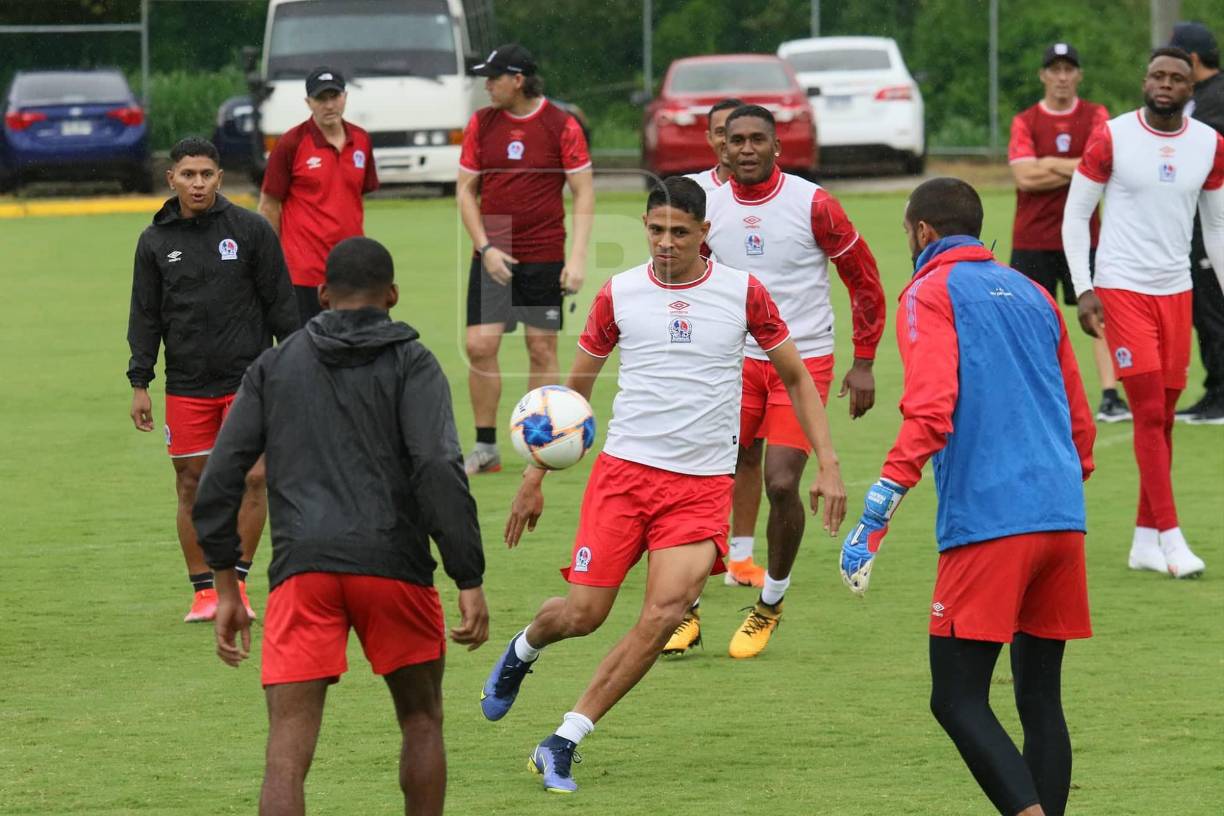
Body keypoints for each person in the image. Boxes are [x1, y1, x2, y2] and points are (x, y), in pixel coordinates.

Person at [480, 177, 846, 794]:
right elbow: (573, 397)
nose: (666, 243)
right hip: (623, 478)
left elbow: (797, 377)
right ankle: (524, 648)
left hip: (702, 487)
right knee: (583, 615)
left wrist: (829, 462)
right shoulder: (619, 293)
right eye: (656, 231)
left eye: (680, 232)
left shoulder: (742, 292)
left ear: (706, 233)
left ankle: (564, 739)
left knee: (663, 615)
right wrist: (535, 475)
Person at [192, 237, 489, 816]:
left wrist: (225, 586)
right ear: (393, 295)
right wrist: (467, 574)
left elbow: (220, 481)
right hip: (395, 568)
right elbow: (436, 467)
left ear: (323, 294)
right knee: (422, 719)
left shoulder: (275, 365)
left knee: (285, 753)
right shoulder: (414, 361)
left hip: (304, 570)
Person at [841, 177, 1096, 816]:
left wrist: (876, 513)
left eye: (906, 231)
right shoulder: (1037, 293)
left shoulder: (929, 291)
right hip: (1062, 517)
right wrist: (1056, 486)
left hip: (992, 521)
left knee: (955, 698)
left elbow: (930, 410)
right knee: (1040, 701)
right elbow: (1081, 422)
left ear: (922, 231)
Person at [665, 104, 884, 659]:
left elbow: (864, 277)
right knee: (705, 477)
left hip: (801, 361)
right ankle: (686, 612)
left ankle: (769, 603)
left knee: (782, 482)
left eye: (756, 139)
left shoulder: (812, 203)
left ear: (777, 148)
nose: (744, 148)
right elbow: (687, 277)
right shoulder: (707, 207)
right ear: (722, 147)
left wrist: (863, 360)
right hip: (730, 360)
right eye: (735, 139)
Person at [1063, 47, 1224, 578]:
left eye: (1176, 77)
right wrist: (1085, 288)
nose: (1164, 83)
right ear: (1144, 80)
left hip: (1176, 292)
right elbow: (1077, 213)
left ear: (1189, 90)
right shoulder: (1112, 135)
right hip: (1121, 289)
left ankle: (1143, 540)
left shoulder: (1209, 145)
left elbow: (1218, 227)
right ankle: (1173, 539)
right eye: (1156, 74)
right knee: (1151, 412)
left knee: (1163, 419)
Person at [127, 137, 298, 623]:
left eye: (206, 174)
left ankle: (236, 587)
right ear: (172, 179)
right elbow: (145, 317)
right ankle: (204, 592)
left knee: (256, 476)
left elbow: (281, 304)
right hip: (187, 384)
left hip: (251, 381)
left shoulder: (251, 230)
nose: (197, 183)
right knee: (191, 484)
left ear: (220, 178)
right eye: (188, 175)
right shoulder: (154, 241)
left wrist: (303, 364)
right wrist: (140, 381)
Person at [458, 43, 595, 475]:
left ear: (518, 79)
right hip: (494, 248)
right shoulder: (481, 123)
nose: (486, 85)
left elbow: (584, 191)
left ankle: (542, 445)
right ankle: (485, 448)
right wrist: (486, 248)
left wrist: (575, 260)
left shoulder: (561, 124)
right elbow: (465, 191)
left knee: (541, 347)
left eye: (493, 77)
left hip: (544, 252)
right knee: (479, 345)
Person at [1008, 43, 1127, 422]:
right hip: (1032, 238)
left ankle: (1110, 395)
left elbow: (1104, 164)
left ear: (1079, 75)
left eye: (1068, 69)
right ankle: (1037, 395)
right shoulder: (1025, 120)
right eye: (1054, 69)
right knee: (1030, 320)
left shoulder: (1096, 116)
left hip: (1086, 237)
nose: (1062, 77)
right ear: (1043, 75)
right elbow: (1024, 176)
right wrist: (1078, 167)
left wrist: (1048, 163)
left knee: (1099, 316)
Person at [258, 67, 379, 323]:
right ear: (308, 102)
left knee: (351, 349)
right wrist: (272, 262)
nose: (328, 105)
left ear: (345, 97)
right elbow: (269, 205)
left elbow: (355, 196)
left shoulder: (361, 140)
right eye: (320, 99)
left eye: (334, 96)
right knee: (304, 351)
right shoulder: (291, 143)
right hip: (303, 271)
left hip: (350, 268)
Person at [1169, 22, 1224, 424]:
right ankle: (1213, 388)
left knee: (1213, 308)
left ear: (1191, 59)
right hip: (1193, 224)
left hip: (1214, 221)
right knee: (1203, 309)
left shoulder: (1217, 97)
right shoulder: (1199, 97)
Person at [680, 97, 744, 192]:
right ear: (710, 138)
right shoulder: (689, 188)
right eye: (721, 132)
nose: (727, 140)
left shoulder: (773, 192)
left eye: (736, 131)